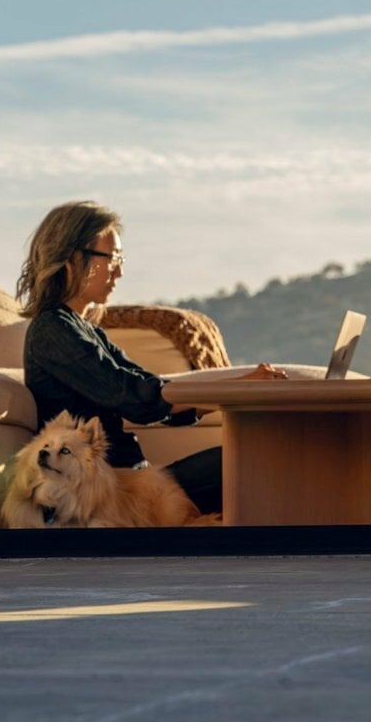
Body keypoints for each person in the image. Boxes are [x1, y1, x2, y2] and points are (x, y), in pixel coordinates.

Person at [15, 201, 284, 514]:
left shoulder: (86, 330)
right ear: (74, 259)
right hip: (114, 496)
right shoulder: (52, 329)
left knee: (255, 456)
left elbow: (148, 389)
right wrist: (238, 387)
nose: (120, 270)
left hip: (132, 483)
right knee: (254, 458)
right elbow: (135, 397)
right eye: (113, 257)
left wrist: (236, 390)